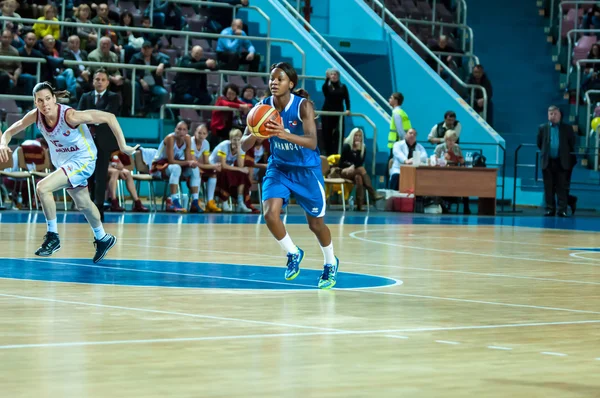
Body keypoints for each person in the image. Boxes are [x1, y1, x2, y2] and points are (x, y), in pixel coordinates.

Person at [0, 82, 138, 262]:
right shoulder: (35, 116)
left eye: (48, 99)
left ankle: (53, 236)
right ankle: (103, 238)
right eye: (40, 100)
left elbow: (110, 117)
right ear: (35, 102)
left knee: (42, 188)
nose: (45, 104)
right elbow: (9, 132)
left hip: (84, 159)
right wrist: (3, 143)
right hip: (66, 163)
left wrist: (123, 145)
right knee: (84, 204)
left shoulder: (70, 116)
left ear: (55, 99)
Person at [241, 62, 339, 289]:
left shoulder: (303, 106)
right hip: (280, 167)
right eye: (272, 79)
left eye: (280, 79)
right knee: (270, 214)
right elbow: (244, 145)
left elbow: (312, 142)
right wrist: (256, 134)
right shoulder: (261, 108)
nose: (274, 82)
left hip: (306, 170)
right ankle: (293, 253)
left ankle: (330, 262)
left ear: (291, 84)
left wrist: (283, 134)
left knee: (316, 225)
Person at [78, 68, 121, 221]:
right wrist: (94, 117)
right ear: (93, 81)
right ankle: (88, 209)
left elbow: (108, 115)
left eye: (103, 79)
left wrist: (91, 117)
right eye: (97, 79)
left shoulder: (113, 97)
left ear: (108, 82)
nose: (100, 82)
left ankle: (99, 208)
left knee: (101, 176)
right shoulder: (85, 96)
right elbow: (79, 115)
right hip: (86, 142)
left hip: (103, 143)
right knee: (87, 176)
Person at [151, 121, 202, 213]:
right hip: (159, 167)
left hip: (174, 167)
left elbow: (187, 159)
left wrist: (191, 162)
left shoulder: (187, 139)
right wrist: (188, 162)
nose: (181, 132)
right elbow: (171, 160)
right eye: (179, 129)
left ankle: (195, 201)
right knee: (176, 167)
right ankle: (174, 201)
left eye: (184, 129)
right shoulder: (170, 138)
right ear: (175, 130)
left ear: (187, 131)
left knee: (195, 169)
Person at [537, 106, 576, 217]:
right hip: (548, 162)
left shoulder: (567, 128)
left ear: (560, 115)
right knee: (548, 187)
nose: (552, 116)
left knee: (561, 187)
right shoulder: (542, 128)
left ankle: (562, 210)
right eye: (550, 114)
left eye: (555, 114)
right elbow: (539, 144)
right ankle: (550, 209)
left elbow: (572, 143)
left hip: (562, 161)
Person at [338, 128, 382, 211]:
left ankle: (359, 205)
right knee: (361, 169)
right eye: (356, 135)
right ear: (352, 136)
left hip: (355, 171)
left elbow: (359, 163)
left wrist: (358, 151)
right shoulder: (347, 146)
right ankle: (373, 193)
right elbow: (341, 163)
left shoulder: (362, 148)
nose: (358, 137)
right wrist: (349, 167)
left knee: (359, 178)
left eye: (360, 136)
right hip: (344, 171)